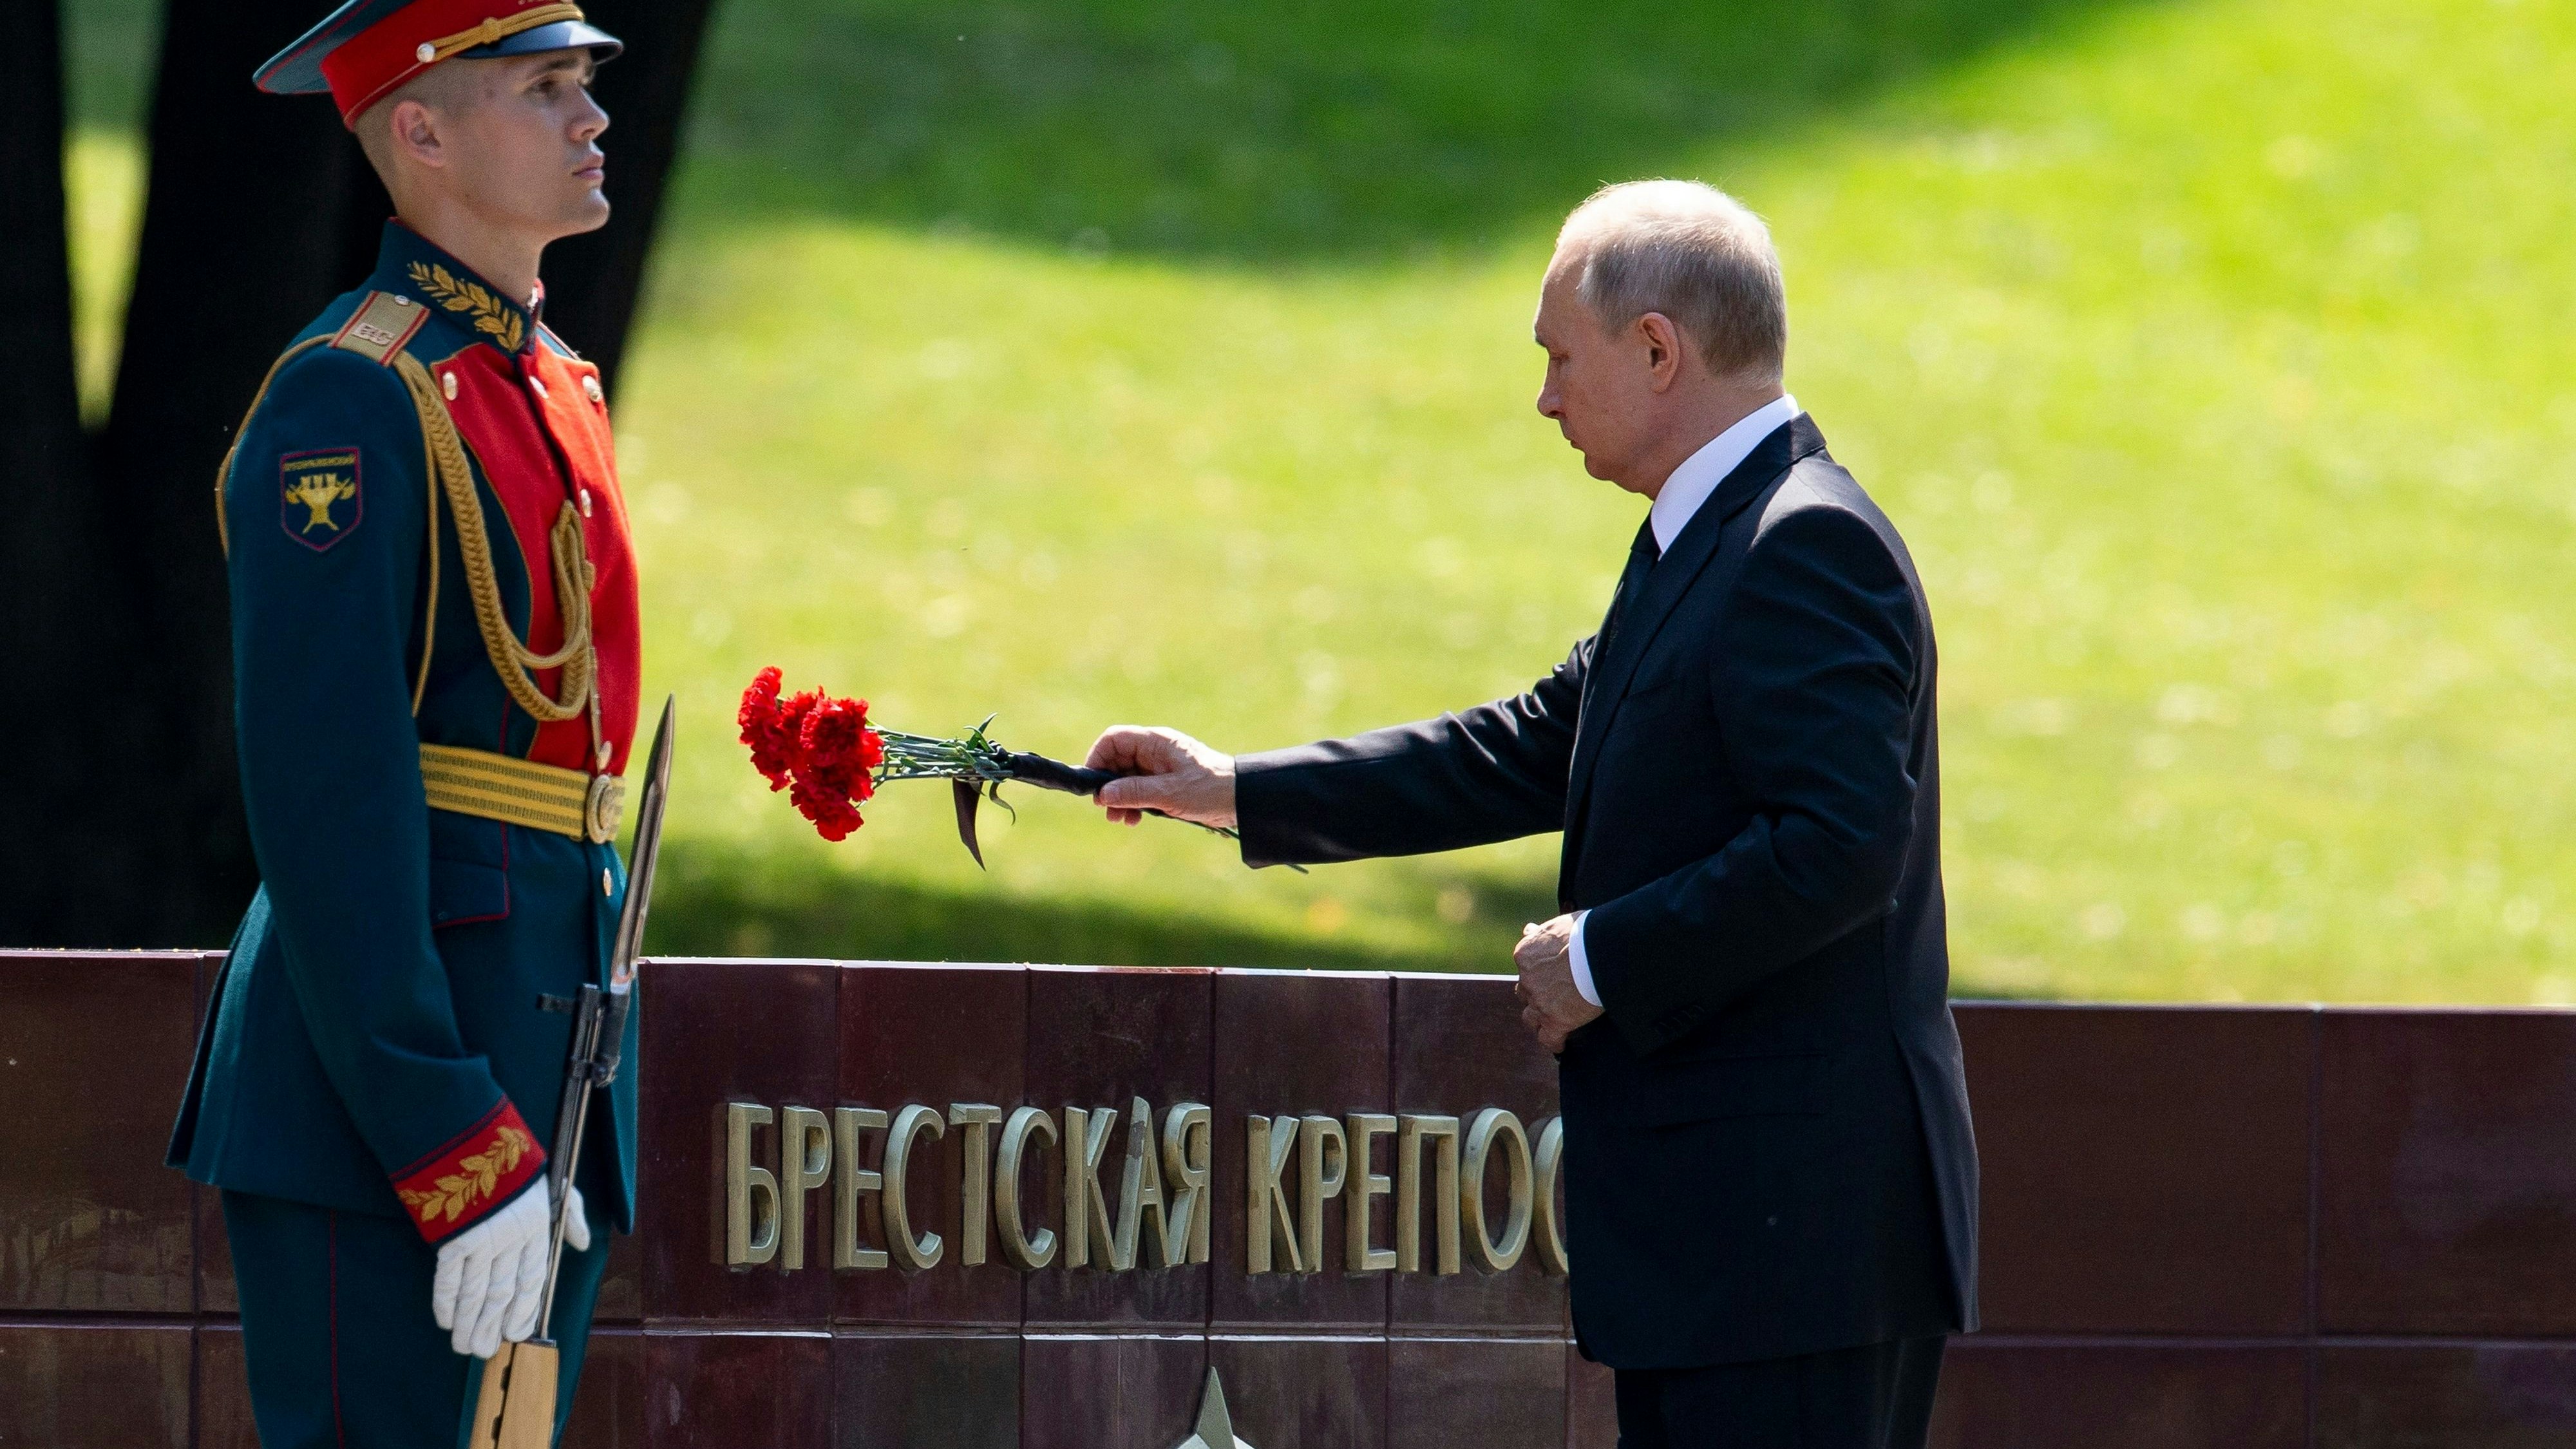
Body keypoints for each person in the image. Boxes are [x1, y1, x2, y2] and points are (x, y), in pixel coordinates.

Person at [1085, 180, 1977, 1448]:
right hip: (1735, 1255)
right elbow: (1527, 745)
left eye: (1561, 358)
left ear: (1657, 349)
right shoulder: (1706, 537)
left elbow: (1838, 847)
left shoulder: (1798, 543)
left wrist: (1602, 955)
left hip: (1796, 1255)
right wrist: (1231, 788)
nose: (1546, 398)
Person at [165, 3, 642, 1444]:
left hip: (542, 1046)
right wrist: (451, 1138)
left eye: (587, 85)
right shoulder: (350, 398)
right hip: (395, 1090)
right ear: (421, 134)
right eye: (544, 87)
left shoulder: (544, 381)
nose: (593, 117)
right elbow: (329, 794)